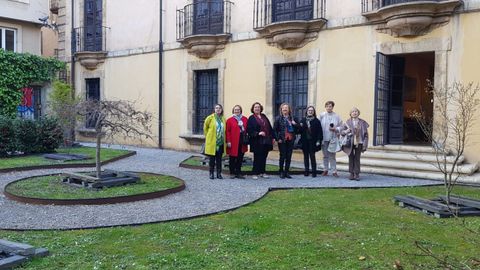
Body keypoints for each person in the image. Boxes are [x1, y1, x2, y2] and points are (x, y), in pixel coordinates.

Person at [340, 107, 369, 180]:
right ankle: (351, 173)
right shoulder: (347, 122)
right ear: (350, 114)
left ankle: (357, 173)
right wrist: (346, 131)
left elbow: (366, 135)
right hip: (349, 143)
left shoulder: (362, 122)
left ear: (358, 113)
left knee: (357, 158)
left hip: (359, 142)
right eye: (353, 111)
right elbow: (342, 132)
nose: (354, 113)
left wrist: (365, 144)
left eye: (356, 111)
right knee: (350, 157)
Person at [247, 102, 274, 180]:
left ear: (260, 108)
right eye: (255, 107)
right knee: (257, 157)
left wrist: (273, 137)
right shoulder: (251, 118)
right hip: (257, 141)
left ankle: (262, 172)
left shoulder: (264, 116)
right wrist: (258, 133)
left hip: (266, 140)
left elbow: (270, 127)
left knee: (264, 157)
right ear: (253, 109)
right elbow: (249, 130)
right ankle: (255, 173)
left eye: (258, 107)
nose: (257, 108)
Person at [273, 103, 300, 178]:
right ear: (281, 110)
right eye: (283, 108)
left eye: (286, 108)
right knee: (282, 156)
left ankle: (287, 172)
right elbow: (274, 130)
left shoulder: (293, 118)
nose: (285, 109)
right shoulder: (278, 118)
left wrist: (295, 124)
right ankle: (281, 171)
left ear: (289, 110)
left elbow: (299, 129)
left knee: (289, 156)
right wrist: (277, 139)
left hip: (290, 139)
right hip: (282, 140)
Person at [319, 101, 342, 177]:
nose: (329, 107)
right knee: (325, 155)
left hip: (333, 138)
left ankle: (334, 171)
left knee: (332, 155)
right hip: (324, 138)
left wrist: (336, 129)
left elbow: (342, 126)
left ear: (332, 107)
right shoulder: (321, 115)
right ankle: (325, 170)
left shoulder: (337, 116)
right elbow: (317, 125)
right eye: (327, 106)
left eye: (330, 106)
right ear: (325, 107)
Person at [203, 104, 226, 179]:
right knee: (212, 160)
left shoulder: (223, 118)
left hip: (221, 142)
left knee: (219, 160)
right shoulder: (210, 118)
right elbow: (205, 128)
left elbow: (224, 130)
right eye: (216, 108)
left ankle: (219, 174)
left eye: (219, 108)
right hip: (213, 142)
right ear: (214, 109)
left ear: (221, 109)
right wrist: (209, 137)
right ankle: (211, 173)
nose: (218, 109)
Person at [299, 106, 323, 177]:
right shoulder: (303, 120)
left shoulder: (316, 121)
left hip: (313, 141)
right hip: (304, 141)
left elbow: (320, 132)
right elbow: (299, 131)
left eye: (312, 110)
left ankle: (314, 172)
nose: (310, 111)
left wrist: (319, 140)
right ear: (307, 111)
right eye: (309, 110)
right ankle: (306, 171)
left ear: (314, 112)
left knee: (312, 156)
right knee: (305, 156)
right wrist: (299, 126)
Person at [226, 105, 248, 179]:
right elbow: (227, 132)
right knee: (232, 158)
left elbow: (247, 129)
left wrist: (242, 127)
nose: (237, 111)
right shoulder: (230, 120)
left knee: (240, 158)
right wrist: (228, 141)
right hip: (233, 141)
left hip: (242, 141)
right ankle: (232, 173)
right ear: (233, 111)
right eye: (235, 110)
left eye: (238, 109)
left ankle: (238, 172)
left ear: (240, 110)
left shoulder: (245, 119)